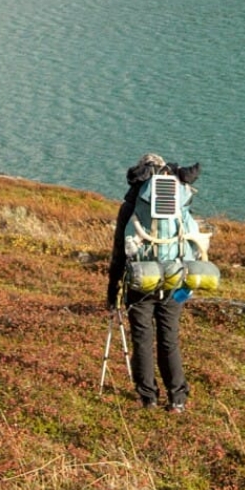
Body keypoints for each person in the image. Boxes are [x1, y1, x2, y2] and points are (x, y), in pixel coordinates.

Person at [106, 153, 201, 411]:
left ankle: (148, 398)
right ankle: (177, 399)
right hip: (175, 279)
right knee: (169, 338)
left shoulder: (132, 205)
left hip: (140, 280)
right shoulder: (180, 203)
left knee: (142, 338)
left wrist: (112, 290)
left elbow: (118, 252)